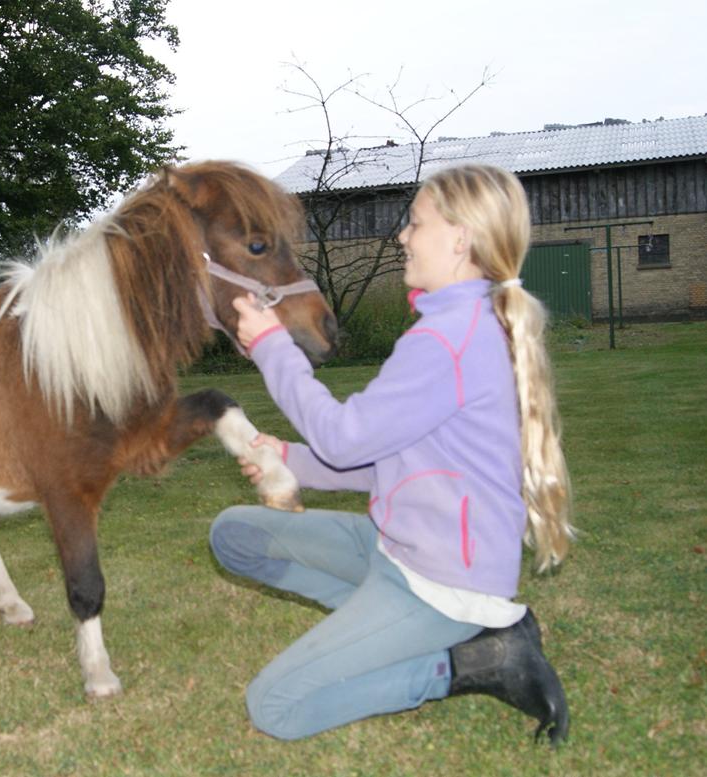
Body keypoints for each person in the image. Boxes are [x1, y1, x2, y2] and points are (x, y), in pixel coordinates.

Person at [211, 164, 573, 744]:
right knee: (234, 535)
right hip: (394, 552)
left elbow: (346, 437)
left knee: (274, 706)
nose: (403, 236)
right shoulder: (455, 327)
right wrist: (289, 458)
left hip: (442, 583)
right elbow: (384, 450)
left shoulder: (449, 339)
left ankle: (469, 662)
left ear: (459, 238)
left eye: (415, 223)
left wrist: (273, 347)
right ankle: (382, 629)